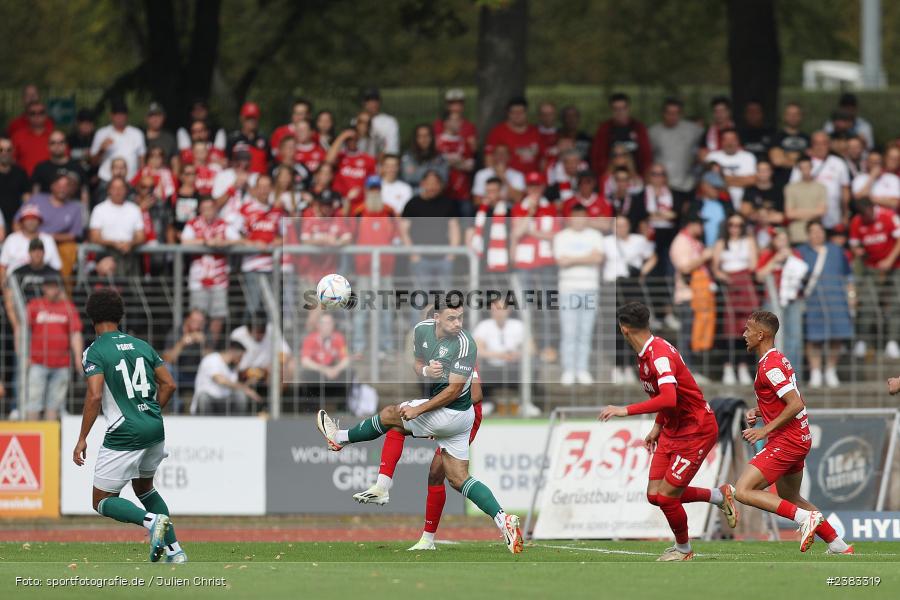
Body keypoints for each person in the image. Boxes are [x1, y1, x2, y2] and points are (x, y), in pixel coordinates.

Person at [315, 300, 524, 555]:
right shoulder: (424, 335)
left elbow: (472, 393)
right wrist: (425, 369)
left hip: (459, 413)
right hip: (454, 416)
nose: (457, 324)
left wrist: (422, 412)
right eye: (451, 319)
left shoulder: (464, 346)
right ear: (434, 321)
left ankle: (341, 438)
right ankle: (503, 521)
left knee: (393, 414)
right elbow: (417, 363)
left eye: (459, 319)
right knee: (456, 478)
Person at [599, 302, 735, 562]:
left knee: (667, 497)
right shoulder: (648, 352)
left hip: (696, 430)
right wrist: (658, 426)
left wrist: (624, 410)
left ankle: (683, 550)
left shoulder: (658, 355)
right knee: (655, 496)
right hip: (673, 430)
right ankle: (719, 496)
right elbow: (669, 397)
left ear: (624, 329)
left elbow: (670, 398)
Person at [72, 288, 185, 563]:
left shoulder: (95, 351)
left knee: (101, 500)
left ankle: (151, 522)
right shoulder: (142, 345)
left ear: (91, 318)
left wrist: (82, 438)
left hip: (125, 431)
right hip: (154, 426)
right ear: (120, 315)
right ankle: (175, 552)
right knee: (145, 488)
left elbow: (95, 395)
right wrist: (152, 410)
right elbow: (169, 384)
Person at [731, 310, 853, 555]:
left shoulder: (771, 365)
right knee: (790, 496)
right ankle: (837, 544)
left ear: (761, 334)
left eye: (747, 330)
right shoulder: (776, 360)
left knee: (743, 491)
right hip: (797, 438)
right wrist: (760, 410)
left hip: (787, 440)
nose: (744, 334)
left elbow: (796, 403)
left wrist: (765, 429)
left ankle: (804, 520)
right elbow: (785, 400)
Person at [360, 369, 484, 551]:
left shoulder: (461, 354)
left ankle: (502, 519)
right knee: (434, 473)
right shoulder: (437, 357)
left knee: (452, 478)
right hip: (447, 416)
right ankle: (427, 539)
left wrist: (443, 419)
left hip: (464, 420)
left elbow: (476, 395)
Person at [797, 221, 854, 388]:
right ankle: (815, 371)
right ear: (808, 234)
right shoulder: (801, 252)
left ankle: (830, 370)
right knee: (813, 337)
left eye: (820, 231)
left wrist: (851, 296)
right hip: (812, 301)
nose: (817, 234)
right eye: (813, 231)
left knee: (837, 336)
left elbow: (848, 276)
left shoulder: (836, 250)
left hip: (837, 299)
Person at [554, 204, 604, 386]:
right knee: (569, 331)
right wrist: (586, 257)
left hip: (590, 288)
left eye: (582, 216)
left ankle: (582, 369)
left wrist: (573, 259)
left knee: (585, 331)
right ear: (570, 218)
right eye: (575, 216)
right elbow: (561, 261)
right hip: (568, 288)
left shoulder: (595, 236)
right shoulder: (561, 237)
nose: (579, 220)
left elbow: (598, 258)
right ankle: (568, 369)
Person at [180, 196, 240, 345]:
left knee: (218, 316)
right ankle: (194, 349)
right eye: (205, 208)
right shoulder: (193, 224)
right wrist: (205, 242)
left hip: (219, 279)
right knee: (197, 316)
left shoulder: (223, 224)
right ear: (200, 210)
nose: (208, 211)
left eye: (211, 208)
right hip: (198, 280)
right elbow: (184, 241)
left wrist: (223, 243)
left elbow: (239, 239)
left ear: (216, 209)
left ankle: (209, 348)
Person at [848, 198, 900, 360]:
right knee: (867, 303)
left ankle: (892, 341)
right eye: (863, 215)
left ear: (873, 208)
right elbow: (854, 244)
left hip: (895, 266)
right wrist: (858, 251)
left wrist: (889, 260)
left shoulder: (888, 215)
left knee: (896, 302)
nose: (867, 217)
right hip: (870, 268)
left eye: (868, 213)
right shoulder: (857, 222)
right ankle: (863, 341)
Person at [25, 275, 83, 420]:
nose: (52, 289)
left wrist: (78, 358)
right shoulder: (34, 305)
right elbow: (23, 331)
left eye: (55, 286)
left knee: (54, 406)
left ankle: (49, 440)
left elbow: (75, 333)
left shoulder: (68, 308)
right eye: (49, 286)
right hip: (37, 362)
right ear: (44, 288)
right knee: (33, 404)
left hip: (61, 364)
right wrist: (24, 356)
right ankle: (33, 437)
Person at [712, 214, 759, 385]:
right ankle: (728, 367)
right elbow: (715, 268)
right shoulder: (720, 243)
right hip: (728, 284)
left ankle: (743, 366)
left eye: (739, 225)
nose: (735, 228)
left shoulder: (749, 242)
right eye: (732, 225)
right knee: (728, 329)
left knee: (746, 328)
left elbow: (753, 264)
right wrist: (723, 276)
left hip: (744, 282)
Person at [756, 229, 807, 375]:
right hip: (772, 300)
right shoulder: (768, 255)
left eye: (785, 239)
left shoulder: (795, 254)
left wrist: (790, 258)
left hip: (793, 300)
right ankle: (772, 373)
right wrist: (775, 260)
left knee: (794, 337)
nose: (782, 243)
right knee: (771, 337)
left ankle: (792, 373)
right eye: (779, 240)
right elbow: (759, 275)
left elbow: (803, 272)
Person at [400, 170, 460, 296]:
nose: (432, 187)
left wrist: (452, 254)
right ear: (422, 184)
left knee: (446, 298)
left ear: (441, 186)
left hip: (444, 258)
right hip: (420, 259)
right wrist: (412, 254)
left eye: (435, 184)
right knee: (419, 298)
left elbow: (454, 228)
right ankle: (418, 317)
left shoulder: (448, 204)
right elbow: (403, 231)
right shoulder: (412, 204)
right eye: (429, 183)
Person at [17, 170, 82, 285]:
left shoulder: (75, 207)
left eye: (66, 185)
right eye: (59, 185)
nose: (62, 188)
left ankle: (63, 291)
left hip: (58, 243)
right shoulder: (37, 199)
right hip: (30, 239)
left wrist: (48, 237)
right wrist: (21, 237)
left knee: (69, 248)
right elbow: (18, 220)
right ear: (52, 186)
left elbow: (74, 235)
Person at [472, 299, 529, 410]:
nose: (498, 312)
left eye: (501, 309)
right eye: (494, 309)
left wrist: (517, 354)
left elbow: (531, 348)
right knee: (476, 364)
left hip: (514, 365)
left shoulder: (518, 326)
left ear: (508, 310)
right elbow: (478, 350)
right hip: (491, 366)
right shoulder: (484, 326)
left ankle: (525, 403)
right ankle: (486, 402)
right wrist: (500, 355)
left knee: (531, 363)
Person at [789, 131, 850, 229]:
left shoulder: (839, 163)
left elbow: (845, 190)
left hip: (833, 218)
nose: (820, 147)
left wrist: (845, 214)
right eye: (816, 143)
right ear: (811, 145)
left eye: (824, 143)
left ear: (829, 145)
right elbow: (793, 189)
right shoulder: (802, 163)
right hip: (808, 219)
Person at [649, 98, 702, 208]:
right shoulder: (653, 132)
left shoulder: (693, 130)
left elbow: (705, 147)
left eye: (676, 113)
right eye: (669, 113)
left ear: (681, 114)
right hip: (663, 185)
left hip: (686, 184)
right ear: (663, 114)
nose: (672, 116)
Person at [88, 176, 145, 277]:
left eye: (121, 188)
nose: (117, 191)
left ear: (126, 190)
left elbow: (141, 236)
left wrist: (130, 243)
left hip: (130, 254)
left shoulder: (134, 209)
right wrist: (114, 243)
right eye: (114, 188)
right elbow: (94, 237)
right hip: (106, 253)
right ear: (109, 190)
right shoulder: (99, 209)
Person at [191, 340, 261, 415]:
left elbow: (233, 386)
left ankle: (237, 423)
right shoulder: (212, 359)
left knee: (240, 396)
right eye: (240, 356)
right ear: (232, 351)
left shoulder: (233, 368)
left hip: (224, 402)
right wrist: (245, 389)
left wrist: (248, 384)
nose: (241, 360)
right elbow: (220, 380)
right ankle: (204, 424)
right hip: (208, 400)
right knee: (203, 398)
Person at [592, 93, 653, 177]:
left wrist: (643, 176)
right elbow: (598, 158)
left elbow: (646, 156)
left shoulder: (638, 128)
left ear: (628, 109)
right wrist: (603, 177)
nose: (620, 112)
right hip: (612, 179)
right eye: (616, 109)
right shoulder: (604, 130)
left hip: (635, 178)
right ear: (611, 110)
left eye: (623, 108)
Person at [161, 309, 207, 412]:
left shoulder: (205, 334)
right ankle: (174, 407)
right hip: (179, 373)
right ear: (187, 320)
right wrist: (182, 343)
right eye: (194, 321)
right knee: (167, 369)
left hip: (198, 374)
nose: (197, 324)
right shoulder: (175, 333)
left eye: (200, 322)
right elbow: (167, 359)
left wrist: (203, 344)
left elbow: (212, 360)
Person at [0, 205, 61, 282]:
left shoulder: (48, 239)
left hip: (44, 285)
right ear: (21, 221)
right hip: (15, 285)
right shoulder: (12, 239)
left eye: (34, 218)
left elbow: (56, 267)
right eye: (27, 218)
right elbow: (2, 266)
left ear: (39, 221)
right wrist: (5, 290)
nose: (31, 221)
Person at [91, 98, 146, 182]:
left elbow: (142, 160)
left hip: (131, 180)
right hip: (107, 180)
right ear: (111, 115)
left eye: (122, 114)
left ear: (127, 116)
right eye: (116, 114)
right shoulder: (102, 133)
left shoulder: (137, 133)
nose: (119, 117)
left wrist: (141, 179)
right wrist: (101, 150)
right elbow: (93, 162)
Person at [300, 313, 351, 404]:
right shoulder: (310, 339)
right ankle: (311, 407)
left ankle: (341, 406)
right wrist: (324, 370)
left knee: (348, 374)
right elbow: (305, 361)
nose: (327, 326)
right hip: (317, 370)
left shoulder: (339, 338)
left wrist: (336, 369)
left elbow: (346, 359)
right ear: (318, 325)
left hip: (333, 369)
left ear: (333, 325)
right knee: (305, 374)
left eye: (329, 323)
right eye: (324, 323)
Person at [486, 97, 541, 174]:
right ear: (508, 113)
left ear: (526, 112)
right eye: (514, 112)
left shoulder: (536, 132)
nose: (518, 115)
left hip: (532, 182)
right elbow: (489, 158)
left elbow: (543, 159)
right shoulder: (498, 132)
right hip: (507, 180)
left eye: (521, 112)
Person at [706, 129, 756, 211]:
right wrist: (741, 180)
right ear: (721, 142)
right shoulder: (712, 156)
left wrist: (723, 179)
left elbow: (751, 180)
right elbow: (708, 181)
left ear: (738, 141)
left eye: (732, 139)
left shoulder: (748, 156)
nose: (729, 143)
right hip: (717, 203)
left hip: (743, 204)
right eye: (726, 139)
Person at [784, 156, 827, 245]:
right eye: (802, 168)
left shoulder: (821, 187)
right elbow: (789, 214)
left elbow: (822, 211)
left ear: (812, 167)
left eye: (807, 167)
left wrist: (798, 212)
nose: (805, 170)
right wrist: (814, 212)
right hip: (797, 234)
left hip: (816, 234)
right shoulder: (790, 188)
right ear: (798, 169)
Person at [31, 130, 86, 195]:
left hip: (73, 204)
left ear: (66, 145)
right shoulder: (40, 168)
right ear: (48, 146)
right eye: (53, 143)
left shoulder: (78, 167)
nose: (57, 145)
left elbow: (84, 193)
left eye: (61, 142)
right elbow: (35, 194)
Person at [401, 124, 448, 192]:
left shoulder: (440, 157)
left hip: (435, 195)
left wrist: (418, 170)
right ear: (416, 138)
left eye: (427, 135)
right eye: (420, 136)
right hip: (412, 196)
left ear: (432, 137)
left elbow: (443, 180)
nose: (424, 139)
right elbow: (408, 178)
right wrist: (432, 175)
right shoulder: (408, 156)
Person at [226, 102, 269, 174]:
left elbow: (269, 162)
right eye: (248, 118)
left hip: (259, 180)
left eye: (254, 118)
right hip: (240, 178)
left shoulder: (264, 139)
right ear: (242, 118)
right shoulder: (233, 139)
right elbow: (228, 161)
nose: (252, 121)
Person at [11, 101, 52, 176]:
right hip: (24, 182)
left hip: (50, 183)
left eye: (41, 112)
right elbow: (10, 161)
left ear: (46, 115)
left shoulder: (54, 137)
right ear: (26, 116)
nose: (37, 115)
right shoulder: (17, 137)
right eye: (33, 113)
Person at [0, 136, 29, 228]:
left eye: (8, 150)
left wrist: (22, 219)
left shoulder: (20, 172)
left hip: (16, 222)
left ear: (13, 152)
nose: (5, 153)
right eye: (1, 149)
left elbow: (27, 200)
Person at [361, 87, 400, 155]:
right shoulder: (356, 121)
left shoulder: (390, 122)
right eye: (369, 100)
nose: (373, 103)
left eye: (376, 100)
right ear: (364, 103)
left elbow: (392, 149)